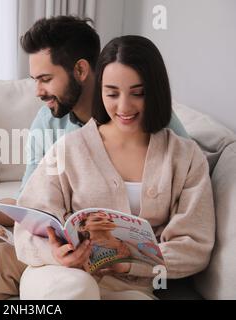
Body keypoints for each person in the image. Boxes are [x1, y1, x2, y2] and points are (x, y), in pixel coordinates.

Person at [0, 16, 189, 300]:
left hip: (91, 251)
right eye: (35, 80)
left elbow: (176, 177)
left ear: (80, 70)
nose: (38, 92)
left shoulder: (146, 119)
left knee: (2, 256)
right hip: (51, 235)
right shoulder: (48, 121)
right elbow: (28, 203)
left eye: (45, 79)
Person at [14, 35, 215, 300]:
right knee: (76, 290)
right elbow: (28, 223)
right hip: (62, 276)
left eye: (137, 93)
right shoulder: (69, 149)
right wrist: (55, 253)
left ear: (155, 90)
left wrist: (128, 261)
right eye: (111, 93)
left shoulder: (185, 156)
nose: (123, 107)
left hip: (134, 285)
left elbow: (195, 246)